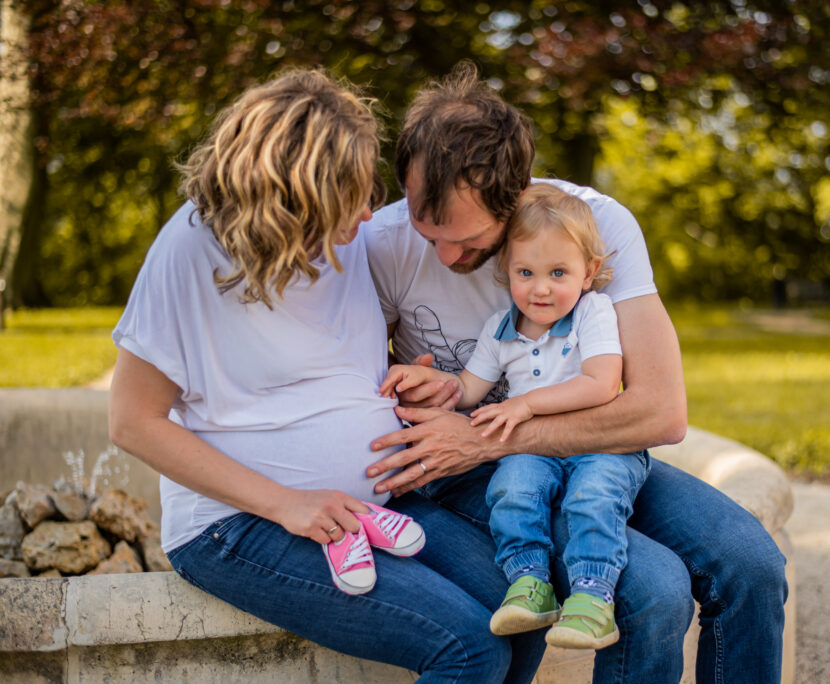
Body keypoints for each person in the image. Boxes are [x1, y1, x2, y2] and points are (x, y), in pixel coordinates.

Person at [107, 69, 547, 683]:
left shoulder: (342, 241)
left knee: (521, 610)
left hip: (376, 502)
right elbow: (133, 423)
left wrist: (402, 379)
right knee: (469, 648)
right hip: (239, 522)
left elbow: (321, 369)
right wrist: (286, 504)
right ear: (290, 200)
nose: (369, 211)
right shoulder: (189, 252)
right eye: (349, 197)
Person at [363, 62, 788, 683]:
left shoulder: (594, 228)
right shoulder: (381, 241)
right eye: (429, 235)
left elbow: (660, 411)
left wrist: (481, 433)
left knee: (751, 563)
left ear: (516, 196)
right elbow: (355, 392)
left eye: (469, 239)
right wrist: (414, 382)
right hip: (464, 474)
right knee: (653, 590)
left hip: (580, 450)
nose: (446, 256)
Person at [380, 183, 649, 650]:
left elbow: (602, 383)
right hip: (534, 449)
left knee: (593, 498)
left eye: (558, 273)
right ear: (507, 273)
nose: (541, 288)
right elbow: (468, 388)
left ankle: (592, 597)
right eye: (526, 272)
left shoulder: (594, 311)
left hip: (600, 447)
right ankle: (529, 582)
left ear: (589, 273)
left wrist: (524, 405)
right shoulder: (499, 331)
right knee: (511, 488)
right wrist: (430, 384)